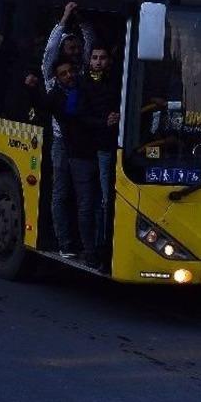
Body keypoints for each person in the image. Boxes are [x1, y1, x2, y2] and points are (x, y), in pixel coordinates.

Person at [26, 58, 104, 267]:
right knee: (76, 200)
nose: (69, 76)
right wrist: (33, 88)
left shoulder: (85, 86)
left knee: (91, 203)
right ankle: (74, 246)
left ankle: (90, 248)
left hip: (90, 152)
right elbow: (75, 116)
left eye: (70, 71)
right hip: (77, 154)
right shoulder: (58, 97)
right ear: (56, 78)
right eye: (63, 74)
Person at [83, 46, 121, 266]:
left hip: (107, 148)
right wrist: (102, 122)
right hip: (88, 150)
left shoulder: (115, 83)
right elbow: (79, 114)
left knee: (105, 200)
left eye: (102, 57)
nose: (98, 62)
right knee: (93, 200)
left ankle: (102, 247)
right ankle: (94, 248)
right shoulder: (85, 83)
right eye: (94, 58)